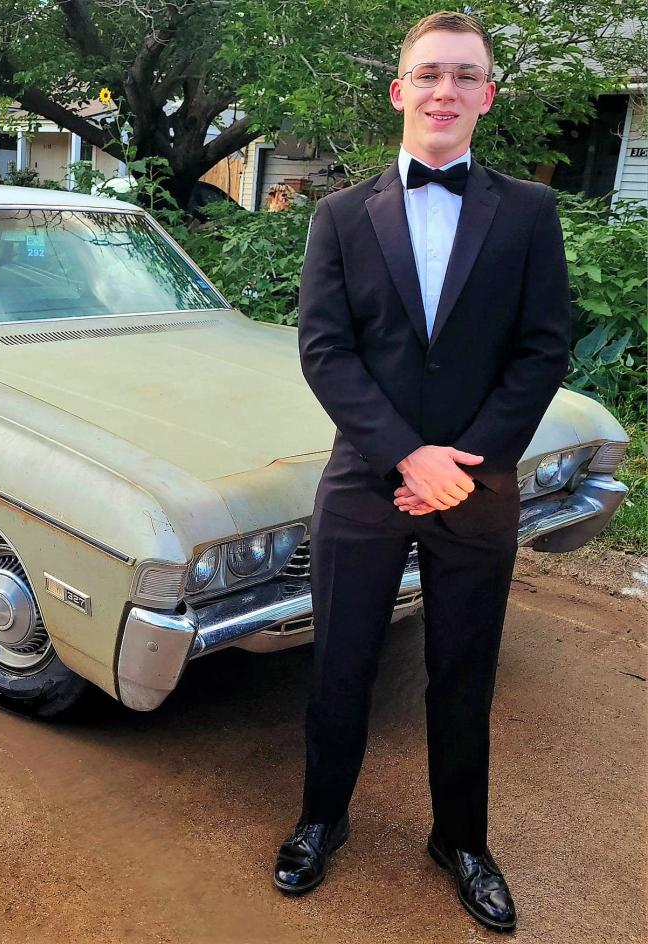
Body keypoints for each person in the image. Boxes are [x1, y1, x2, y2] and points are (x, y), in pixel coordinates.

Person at [273, 11, 571, 934]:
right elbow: (326, 352)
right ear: (400, 91)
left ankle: (462, 839)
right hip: (366, 480)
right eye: (429, 73)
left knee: (464, 668)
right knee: (343, 663)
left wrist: (464, 463)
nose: (446, 90)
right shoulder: (337, 216)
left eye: (465, 75)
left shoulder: (528, 213)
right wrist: (406, 454)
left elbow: (542, 348)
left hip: (479, 484)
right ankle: (323, 818)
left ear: (488, 94)